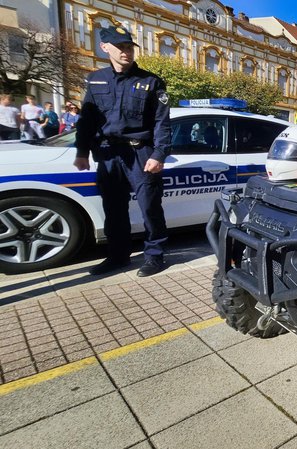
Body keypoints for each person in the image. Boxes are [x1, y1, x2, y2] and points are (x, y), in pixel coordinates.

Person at [74, 24, 171, 277]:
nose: (127, 52)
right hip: (108, 155)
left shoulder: (151, 81)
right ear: (105, 48)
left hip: (140, 153)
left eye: (129, 47)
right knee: (113, 209)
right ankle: (118, 256)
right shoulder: (95, 79)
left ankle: (155, 256)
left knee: (150, 206)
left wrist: (158, 154)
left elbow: (161, 122)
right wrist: (82, 151)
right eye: (121, 47)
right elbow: (87, 119)